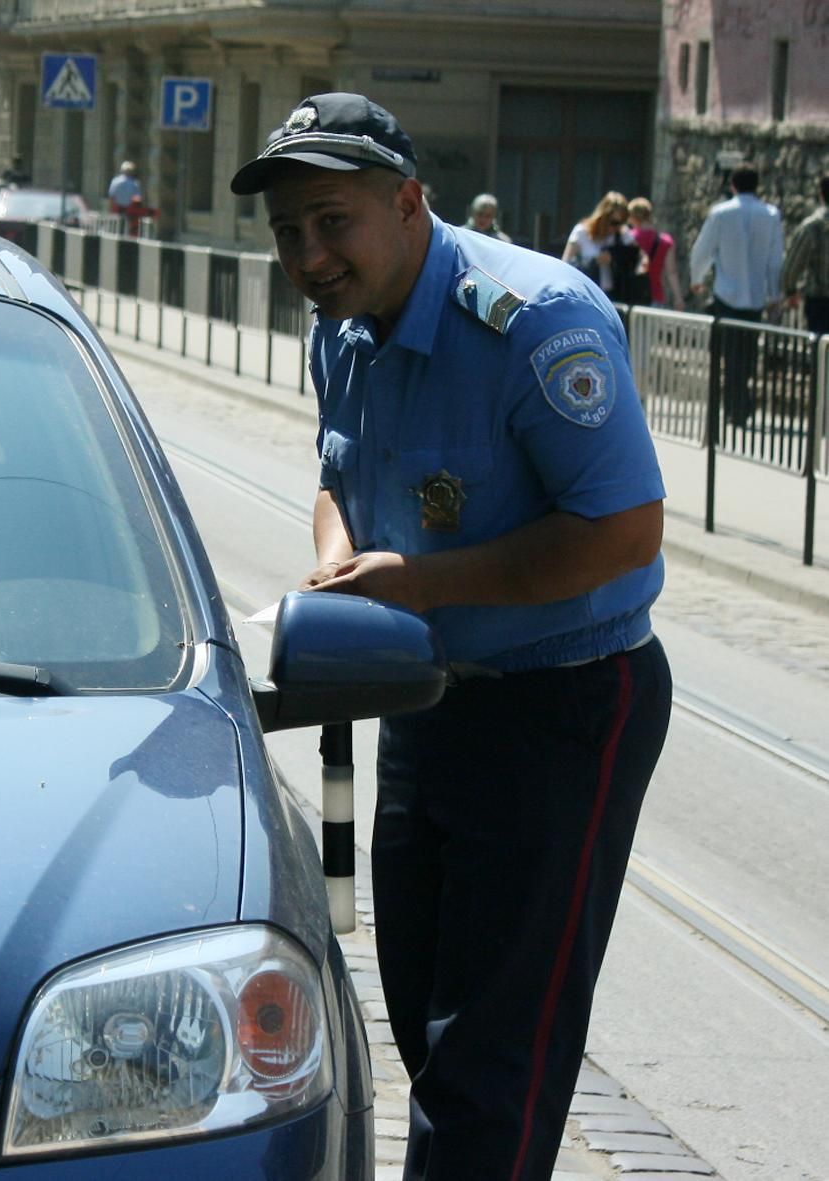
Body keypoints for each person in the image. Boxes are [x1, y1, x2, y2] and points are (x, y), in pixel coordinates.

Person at [230, 92, 671, 1181]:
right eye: (288, 232)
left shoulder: (533, 320)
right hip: (427, 690)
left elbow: (622, 529)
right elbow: (338, 471)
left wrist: (418, 583)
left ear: (409, 203)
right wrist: (342, 564)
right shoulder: (340, 321)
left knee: (492, 1055)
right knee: (427, 1018)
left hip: (563, 699)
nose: (309, 254)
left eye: (331, 221)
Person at [691, 167, 784, 423]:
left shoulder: (721, 213)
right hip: (755, 296)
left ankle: (733, 404)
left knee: (729, 353)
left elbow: (703, 249)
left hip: (726, 294)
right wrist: (775, 294)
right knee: (747, 353)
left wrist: (696, 279)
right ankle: (741, 403)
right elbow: (776, 260)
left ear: (732, 185)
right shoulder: (771, 215)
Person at [562, 192, 641, 297]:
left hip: (612, 294)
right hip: (586, 292)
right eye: (614, 223)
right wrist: (593, 262)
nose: (617, 227)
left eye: (622, 223)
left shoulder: (622, 234)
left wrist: (614, 256)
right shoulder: (581, 232)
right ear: (604, 217)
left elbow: (637, 254)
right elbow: (565, 264)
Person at [781, 173, 829, 336]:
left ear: (821, 194)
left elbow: (792, 265)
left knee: (821, 354)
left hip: (821, 302)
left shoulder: (813, 226)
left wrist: (790, 291)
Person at [625, 197, 681, 310]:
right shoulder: (666, 241)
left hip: (632, 295)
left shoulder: (628, 238)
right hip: (656, 296)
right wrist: (678, 298)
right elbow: (671, 272)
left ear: (632, 217)